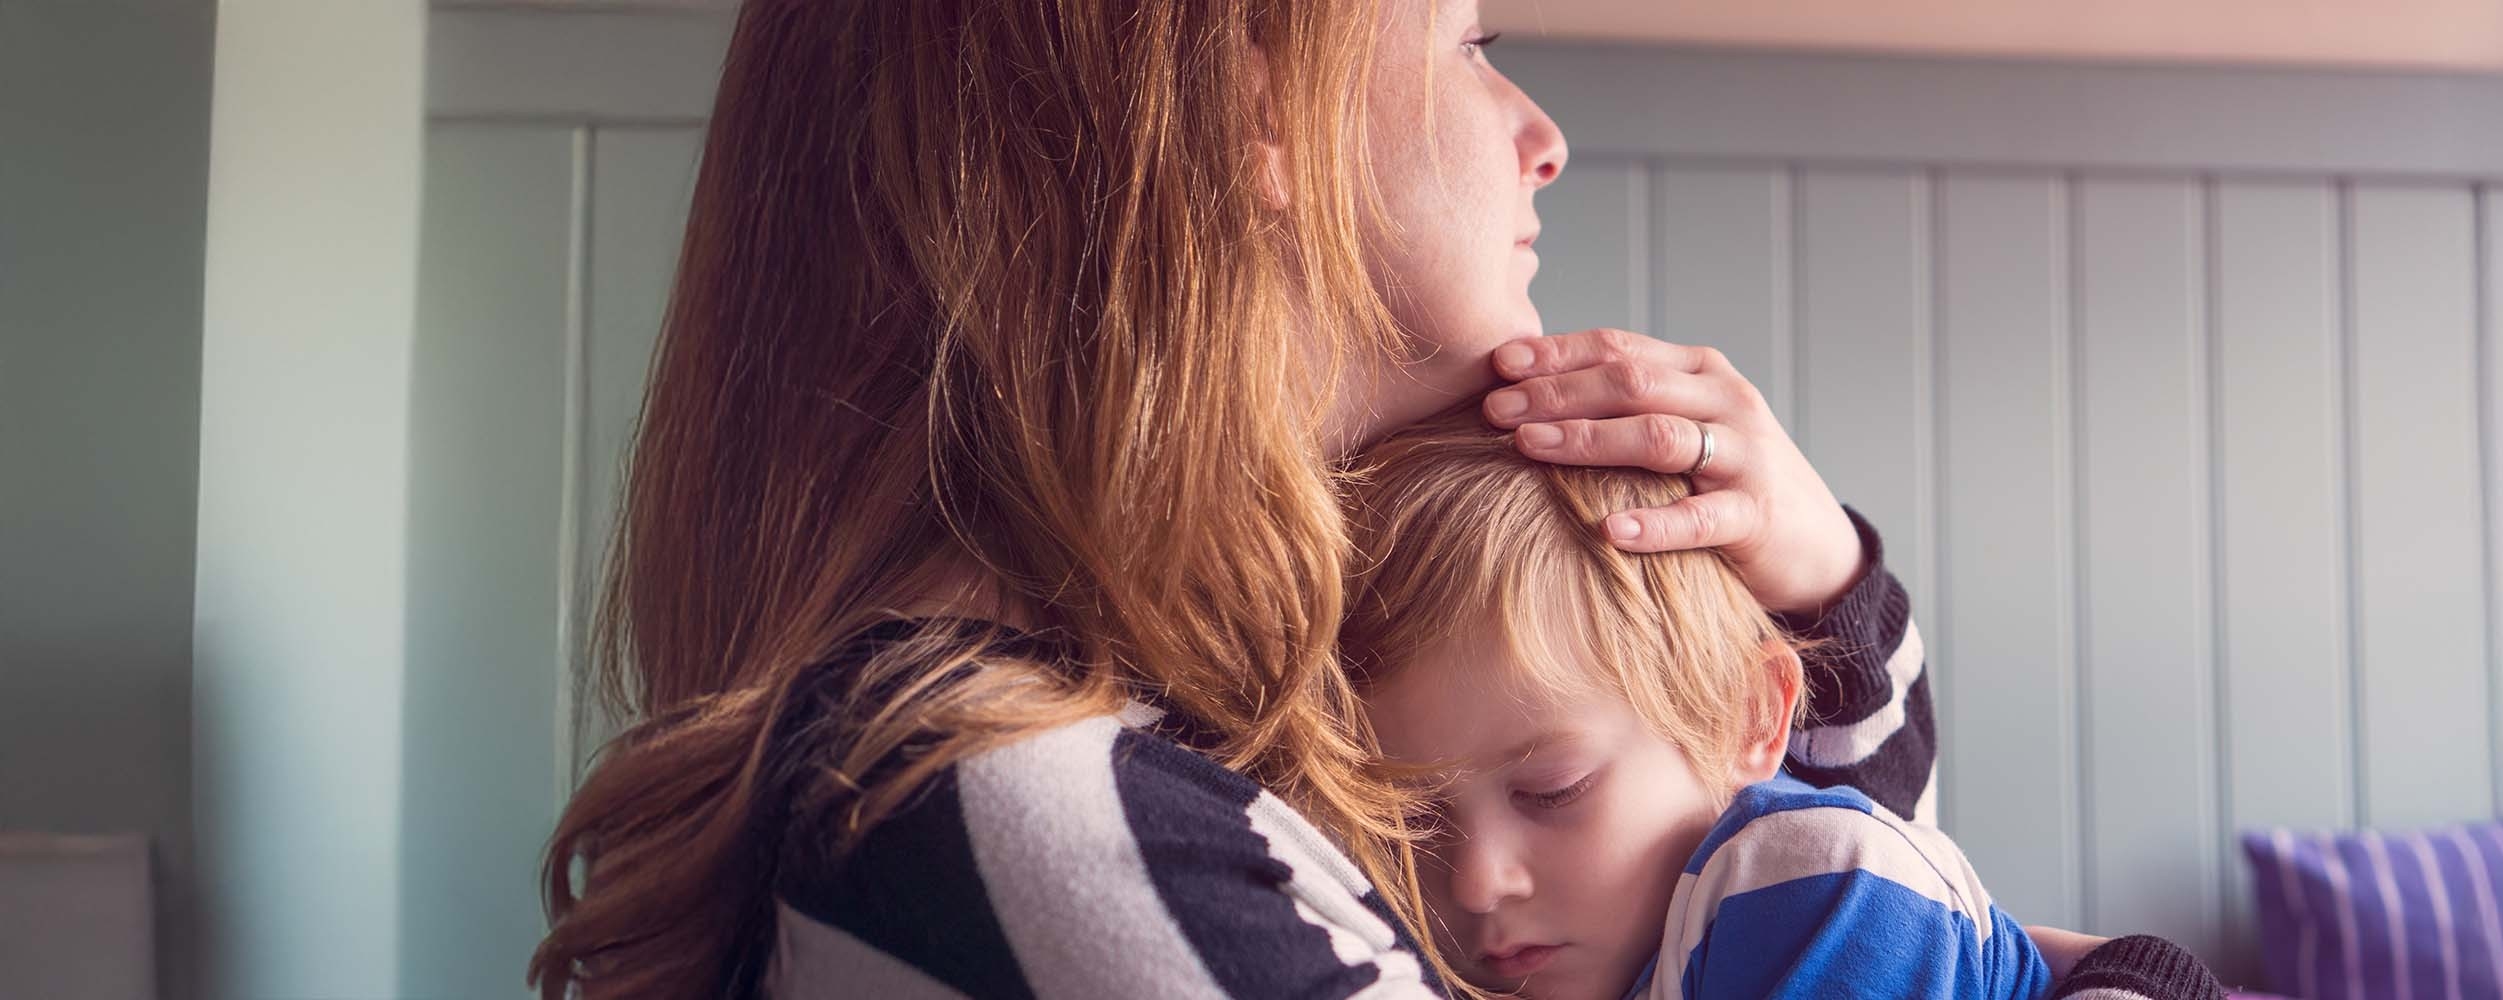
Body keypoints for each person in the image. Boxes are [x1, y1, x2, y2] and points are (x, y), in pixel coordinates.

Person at [525, 0, 2211, 995]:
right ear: (1255, 106)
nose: (1541, 132)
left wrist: (1820, 589)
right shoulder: (1037, 818)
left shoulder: (1168, 754)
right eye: (1467, 37)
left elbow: (1778, 889)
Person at [1342, 412, 2228, 1000]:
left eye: (1553, 789)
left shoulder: (1807, 877)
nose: (1475, 880)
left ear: (1752, 719)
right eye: (1409, 819)